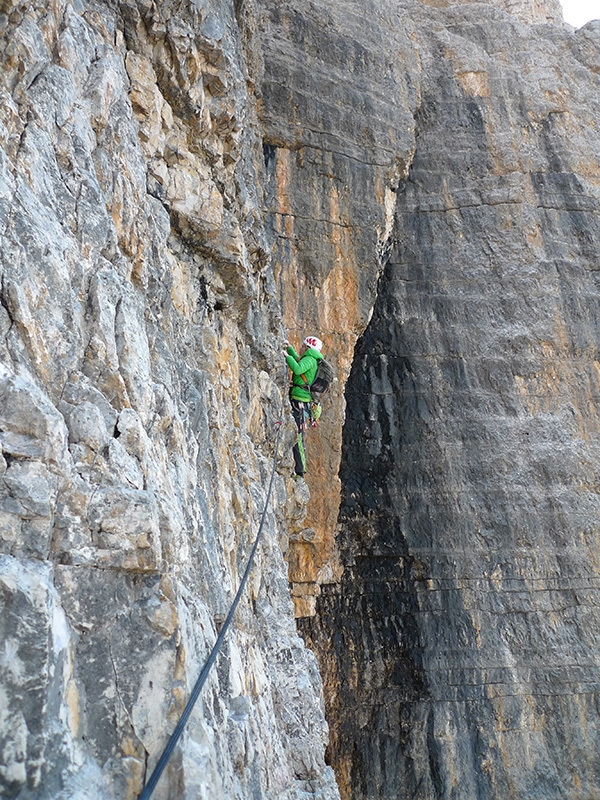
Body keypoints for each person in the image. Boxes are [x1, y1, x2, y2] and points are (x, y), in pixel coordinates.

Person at [283, 335, 324, 477]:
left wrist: (286, 357)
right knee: (297, 434)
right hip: (300, 401)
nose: (300, 347)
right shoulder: (311, 358)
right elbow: (299, 360)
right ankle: (299, 469)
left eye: (302, 345)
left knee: (298, 436)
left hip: (300, 402)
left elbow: (298, 368)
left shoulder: (310, 359)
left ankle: (300, 471)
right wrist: (289, 349)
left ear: (307, 347)